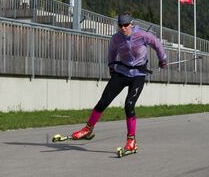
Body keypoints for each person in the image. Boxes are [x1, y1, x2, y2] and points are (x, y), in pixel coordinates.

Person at [70, 13, 167, 152]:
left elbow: (157, 44)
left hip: (138, 74)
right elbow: (111, 52)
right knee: (104, 101)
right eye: (120, 25)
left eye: (125, 25)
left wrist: (162, 59)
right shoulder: (116, 38)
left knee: (129, 105)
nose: (123, 28)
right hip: (121, 72)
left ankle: (131, 141)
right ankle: (87, 129)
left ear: (131, 24)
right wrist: (111, 66)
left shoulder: (142, 35)